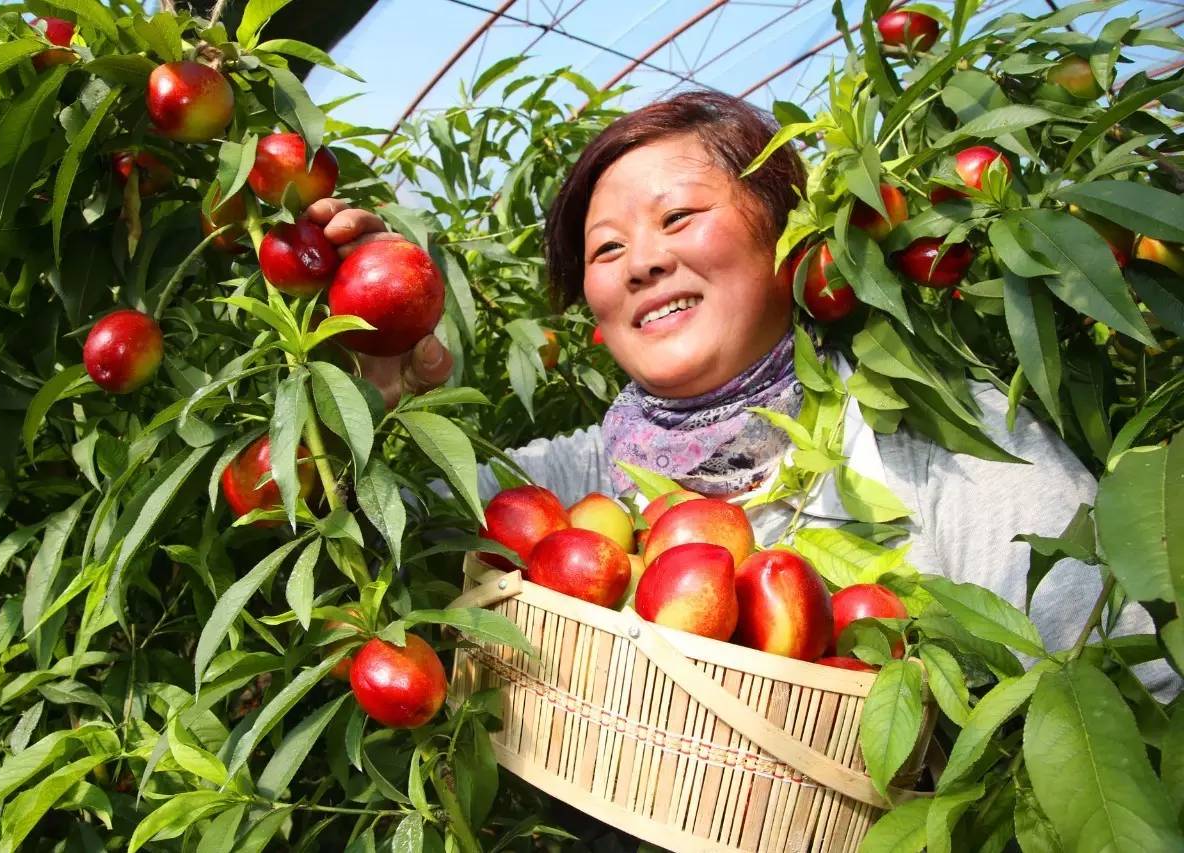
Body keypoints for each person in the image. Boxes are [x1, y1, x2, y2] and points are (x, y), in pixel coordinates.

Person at [307, 90, 1171, 693]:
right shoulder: (580, 479)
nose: (642, 261)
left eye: (679, 218)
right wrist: (373, 400)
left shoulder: (944, 447)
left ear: (788, 231)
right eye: (605, 252)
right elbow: (387, 533)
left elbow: (1129, 697)